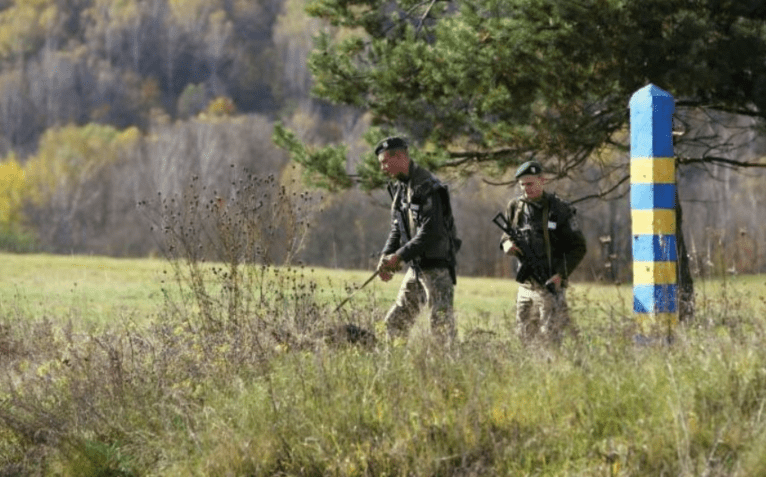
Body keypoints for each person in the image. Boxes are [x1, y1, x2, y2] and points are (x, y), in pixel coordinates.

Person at [375, 136, 460, 346]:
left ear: (401, 157)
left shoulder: (427, 186)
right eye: (381, 163)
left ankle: (448, 373)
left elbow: (430, 233)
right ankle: (395, 369)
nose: (383, 168)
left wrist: (399, 257)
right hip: (416, 267)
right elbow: (398, 228)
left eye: (386, 162)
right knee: (395, 323)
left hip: (437, 268)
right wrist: (386, 255)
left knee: (441, 330)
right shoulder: (401, 188)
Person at [500, 160, 587, 345]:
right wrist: (507, 245)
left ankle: (553, 371)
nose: (526, 189)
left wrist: (560, 275)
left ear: (542, 180)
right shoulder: (515, 207)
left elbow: (579, 247)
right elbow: (505, 235)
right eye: (522, 185)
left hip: (550, 285)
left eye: (530, 184)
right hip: (525, 286)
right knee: (524, 337)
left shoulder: (559, 209)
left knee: (550, 339)